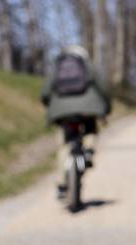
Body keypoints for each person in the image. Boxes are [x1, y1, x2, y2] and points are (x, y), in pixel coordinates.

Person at [41, 45, 111, 194]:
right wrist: (106, 107)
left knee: (64, 145)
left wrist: (50, 106)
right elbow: (103, 87)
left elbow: (46, 92)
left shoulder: (57, 67)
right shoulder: (88, 65)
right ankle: (89, 151)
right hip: (88, 109)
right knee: (90, 129)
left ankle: (62, 183)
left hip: (62, 112)